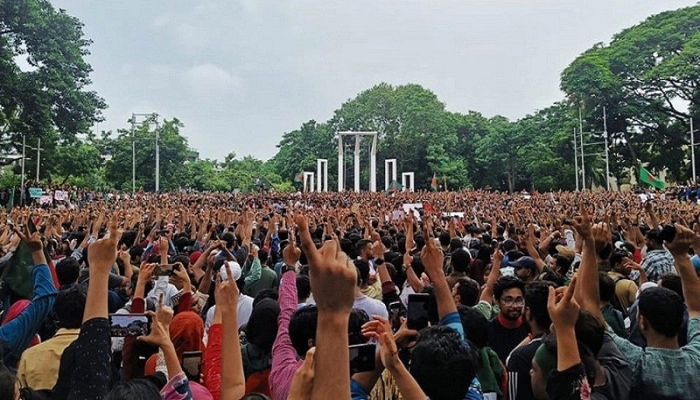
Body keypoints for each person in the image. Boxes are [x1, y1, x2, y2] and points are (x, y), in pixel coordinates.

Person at [487, 276, 528, 363]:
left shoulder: (529, 328)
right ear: (497, 302)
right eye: (508, 300)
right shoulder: (488, 330)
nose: (515, 306)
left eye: (519, 300)